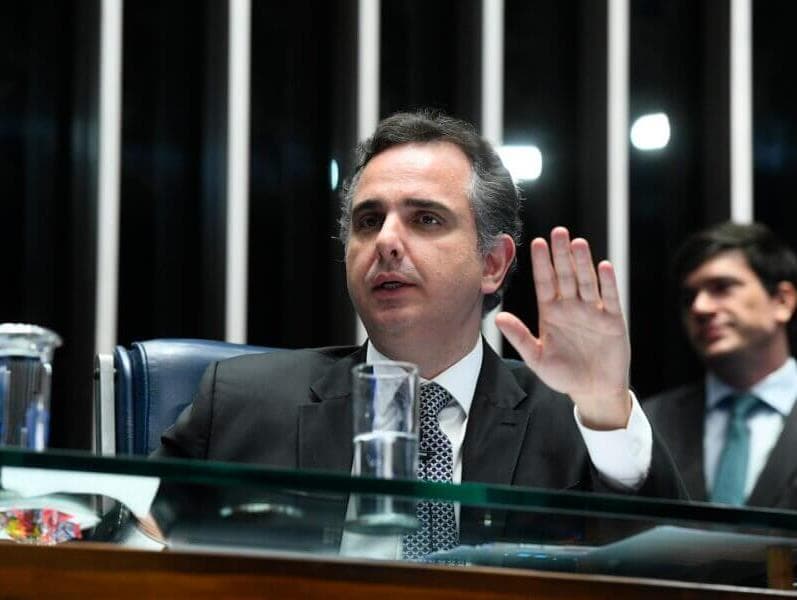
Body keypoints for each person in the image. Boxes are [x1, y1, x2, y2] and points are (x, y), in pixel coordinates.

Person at [154, 111, 683, 545]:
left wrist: (605, 407)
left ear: (492, 264)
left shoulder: (575, 419)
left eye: (426, 219)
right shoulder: (242, 402)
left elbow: (670, 566)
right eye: (368, 221)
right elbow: (128, 531)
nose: (386, 241)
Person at [644, 221, 797, 508]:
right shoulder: (650, 422)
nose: (699, 307)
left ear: (782, 301)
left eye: (722, 288)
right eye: (689, 297)